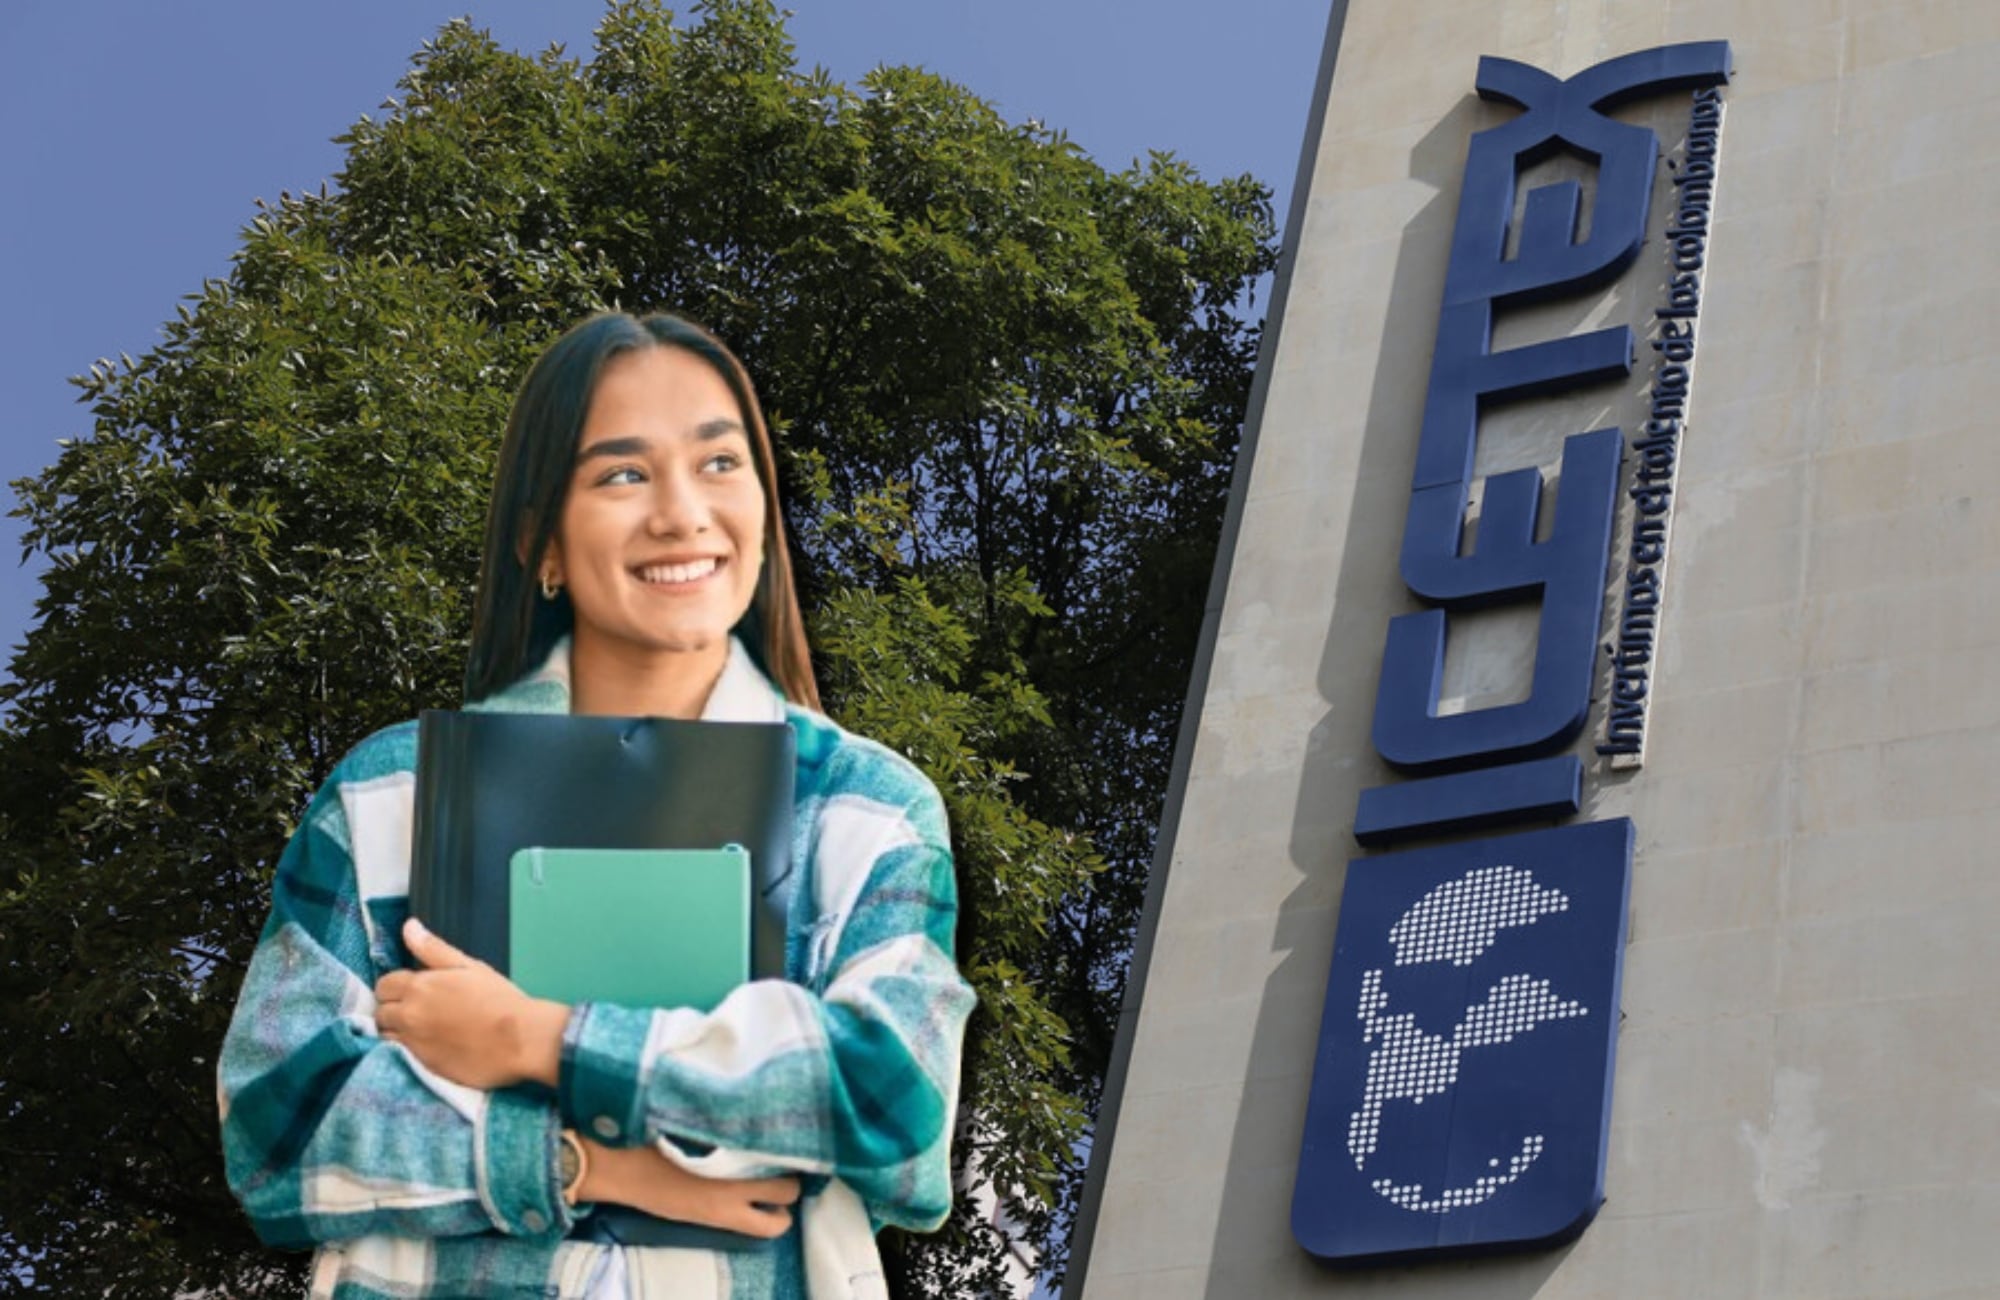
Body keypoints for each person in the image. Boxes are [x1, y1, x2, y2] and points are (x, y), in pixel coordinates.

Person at [217, 312, 976, 1299]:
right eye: (622, 473)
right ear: (542, 539)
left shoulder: (865, 807)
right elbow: (279, 1128)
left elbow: (891, 1106)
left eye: (717, 464)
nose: (679, 514)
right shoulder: (390, 794)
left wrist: (537, 1038)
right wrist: (586, 1163)